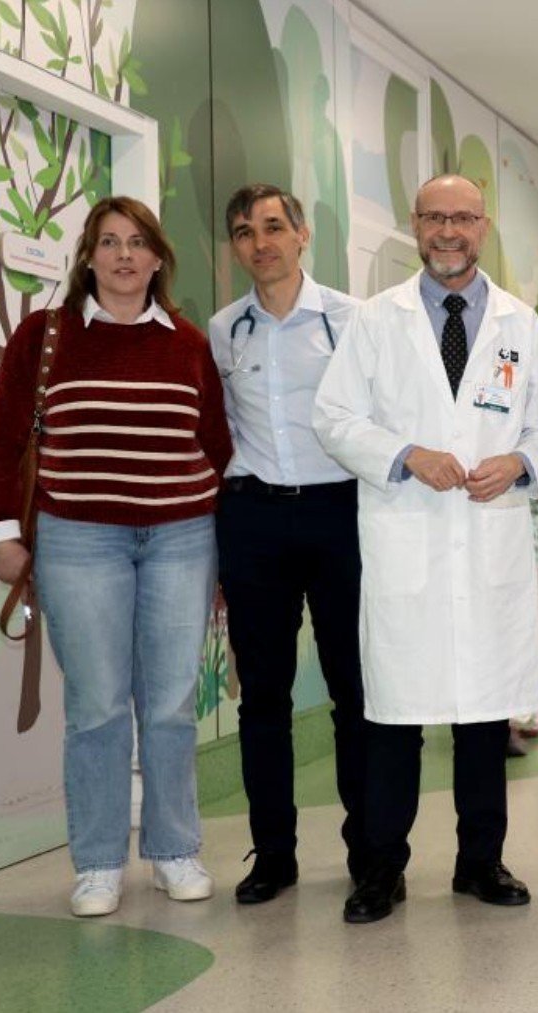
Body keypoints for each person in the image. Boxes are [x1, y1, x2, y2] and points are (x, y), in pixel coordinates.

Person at [0, 196, 233, 917]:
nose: (124, 256)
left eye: (138, 243)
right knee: (94, 708)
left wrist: (230, 548)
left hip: (183, 536)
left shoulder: (187, 344)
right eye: (109, 242)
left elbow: (218, 447)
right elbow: (0, 439)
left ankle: (176, 849)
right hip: (79, 539)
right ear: (88, 257)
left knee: (173, 703)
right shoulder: (44, 335)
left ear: (157, 258)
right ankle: (96, 862)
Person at [313, 173, 538, 925]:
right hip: (405, 534)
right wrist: (405, 454)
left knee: (484, 716)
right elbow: (332, 415)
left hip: (488, 539)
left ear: (483, 226)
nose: (447, 230)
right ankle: (381, 867)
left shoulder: (521, 323)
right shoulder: (376, 320)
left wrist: (520, 463)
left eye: (462, 218)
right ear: (414, 226)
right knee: (393, 719)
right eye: (433, 218)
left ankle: (480, 862)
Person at [208, 183, 367, 903]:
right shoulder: (224, 329)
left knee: (354, 691)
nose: (260, 242)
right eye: (245, 232)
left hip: (340, 515)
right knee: (262, 697)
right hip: (254, 520)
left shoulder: (351, 321)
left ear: (303, 234)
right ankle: (273, 853)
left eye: (274, 227)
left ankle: (371, 848)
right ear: (236, 247)